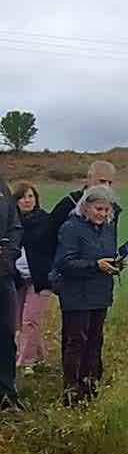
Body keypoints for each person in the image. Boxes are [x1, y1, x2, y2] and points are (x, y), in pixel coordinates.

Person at [51, 186, 120, 405]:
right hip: (76, 295)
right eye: (98, 208)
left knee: (95, 341)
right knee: (76, 343)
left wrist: (115, 264)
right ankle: (71, 393)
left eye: (106, 210)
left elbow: (106, 256)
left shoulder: (109, 229)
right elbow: (64, 262)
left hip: (100, 293)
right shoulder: (70, 228)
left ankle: (91, 389)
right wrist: (94, 265)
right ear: (86, 207)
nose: (102, 214)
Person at [11, 182, 53, 374]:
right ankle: (39, 357)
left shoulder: (45, 220)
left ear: (36, 199)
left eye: (30, 196)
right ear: (16, 201)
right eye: (22, 197)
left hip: (40, 278)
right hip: (18, 278)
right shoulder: (10, 223)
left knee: (31, 320)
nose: (27, 201)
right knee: (18, 321)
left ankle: (26, 362)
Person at [46, 160, 121, 254]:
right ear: (89, 178)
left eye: (109, 183)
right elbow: (49, 237)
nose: (106, 186)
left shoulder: (114, 209)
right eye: (102, 181)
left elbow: (110, 240)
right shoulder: (69, 203)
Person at [0, 173, 23, 411]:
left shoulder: (2, 188)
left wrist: (8, 256)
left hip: (2, 274)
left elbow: (15, 227)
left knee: (6, 335)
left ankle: (6, 393)